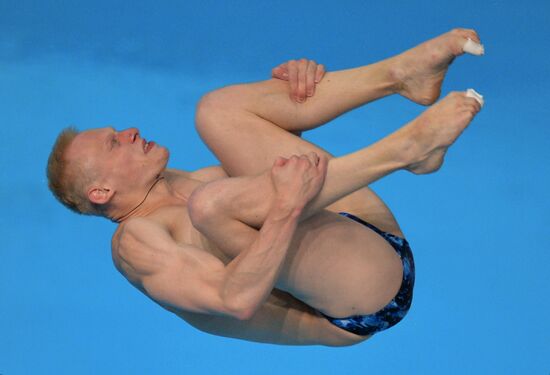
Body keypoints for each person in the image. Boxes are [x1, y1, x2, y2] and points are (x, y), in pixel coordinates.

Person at [47, 28, 484, 346]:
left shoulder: (190, 180)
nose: (130, 131)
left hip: (361, 229)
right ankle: (406, 149)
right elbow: (234, 299)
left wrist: (292, 90)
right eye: (113, 142)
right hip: (361, 299)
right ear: (101, 192)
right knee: (212, 205)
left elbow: (295, 172)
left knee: (216, 110)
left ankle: (399, 75)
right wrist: (282, 212)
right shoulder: (135, 244)